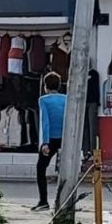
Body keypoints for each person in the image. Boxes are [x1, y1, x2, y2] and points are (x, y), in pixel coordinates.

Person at [32, 72, 67, 212]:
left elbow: (45, 122)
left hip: (51, 139)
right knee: (65, 170)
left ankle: (43, 201)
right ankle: (65, 201)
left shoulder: (43, 100)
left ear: (45, 86)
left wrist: (45, 142)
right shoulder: (66, 99)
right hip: (65, 138)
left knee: (41, 168)